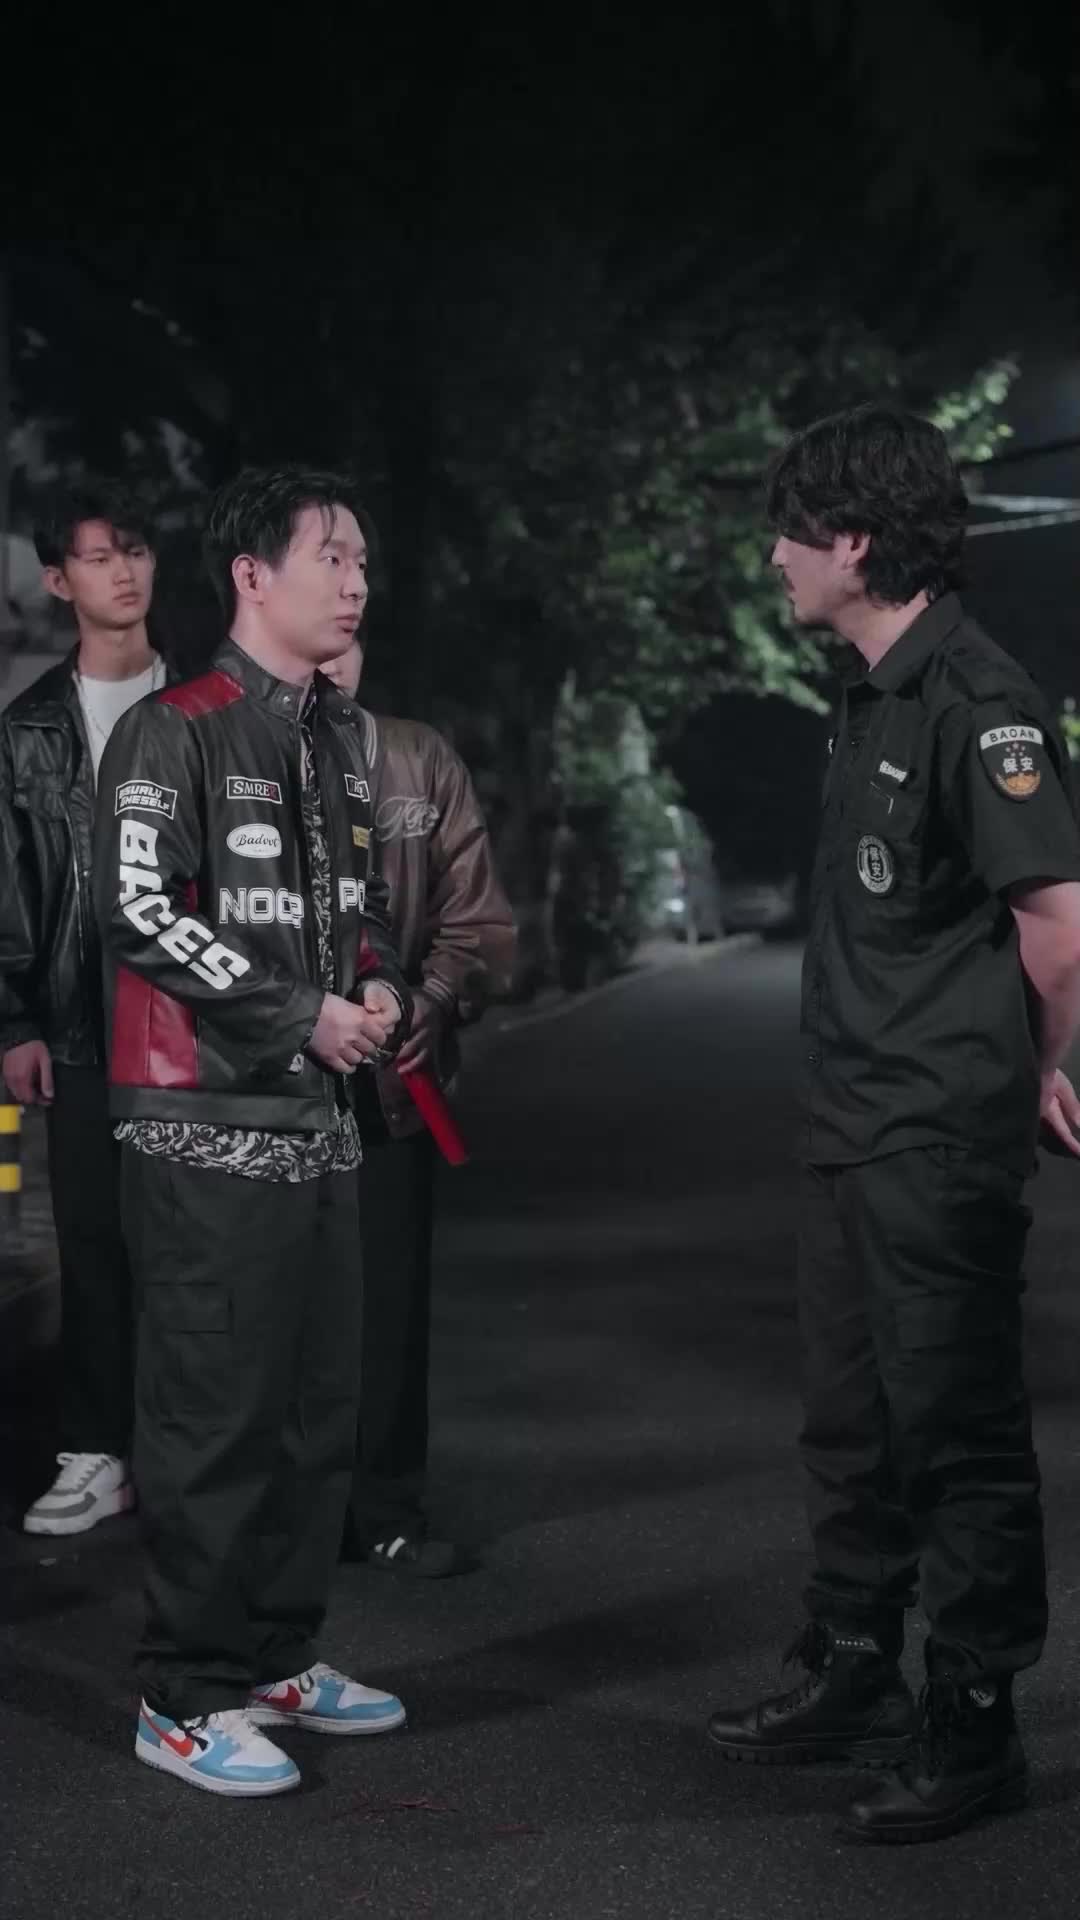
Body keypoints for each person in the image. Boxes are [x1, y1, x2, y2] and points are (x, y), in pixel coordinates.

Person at [706, 405, 1080, 1844]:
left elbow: (1057, 924)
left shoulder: (979, 700)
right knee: (851, 1423)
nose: (776, 557)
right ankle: (855, 1665)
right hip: (851, 1120)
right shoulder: (870, 693)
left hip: (933, 1130)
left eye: (791, 533)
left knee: (956, 1435)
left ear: (854, 542)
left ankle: (974, 1724)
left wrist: (1028, 1067)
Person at [94, 465, 414, 1798]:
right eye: (332, 556)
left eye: (362, 560)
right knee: (212, 1418)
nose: (357, 581)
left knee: (314, 1415)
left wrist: (378, 984)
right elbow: (136, 910)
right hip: (201, 1124)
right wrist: (299, 1015)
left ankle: (278, 1655)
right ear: (251, 575)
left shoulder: (337, 738)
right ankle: (183, 1694)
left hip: (317, 1125)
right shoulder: (172, 728)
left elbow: (353, 909)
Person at [320, 636, 515, 1576]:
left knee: (388, 1305)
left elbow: (478, 919)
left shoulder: (416, 756)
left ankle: (385, 1510)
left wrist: (432, 999)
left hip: (389, 1079)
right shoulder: (215, 748)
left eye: (354, 602)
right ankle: (280, 1520)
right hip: (263, 1086)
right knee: (267, 1309)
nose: (337, 640)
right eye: (322, 580)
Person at [0, 482, 165, 1535]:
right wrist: (16, 1022)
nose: (123, 571)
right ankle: (98, 1446)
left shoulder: (206, 704)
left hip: (198, 1020)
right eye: (99, 557)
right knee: (93, 1242)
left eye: (135, 550)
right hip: (78, 1019)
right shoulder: (27, 729)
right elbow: (10, 883)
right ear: (60, 581)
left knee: (198, 1243)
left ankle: (193, 1445)